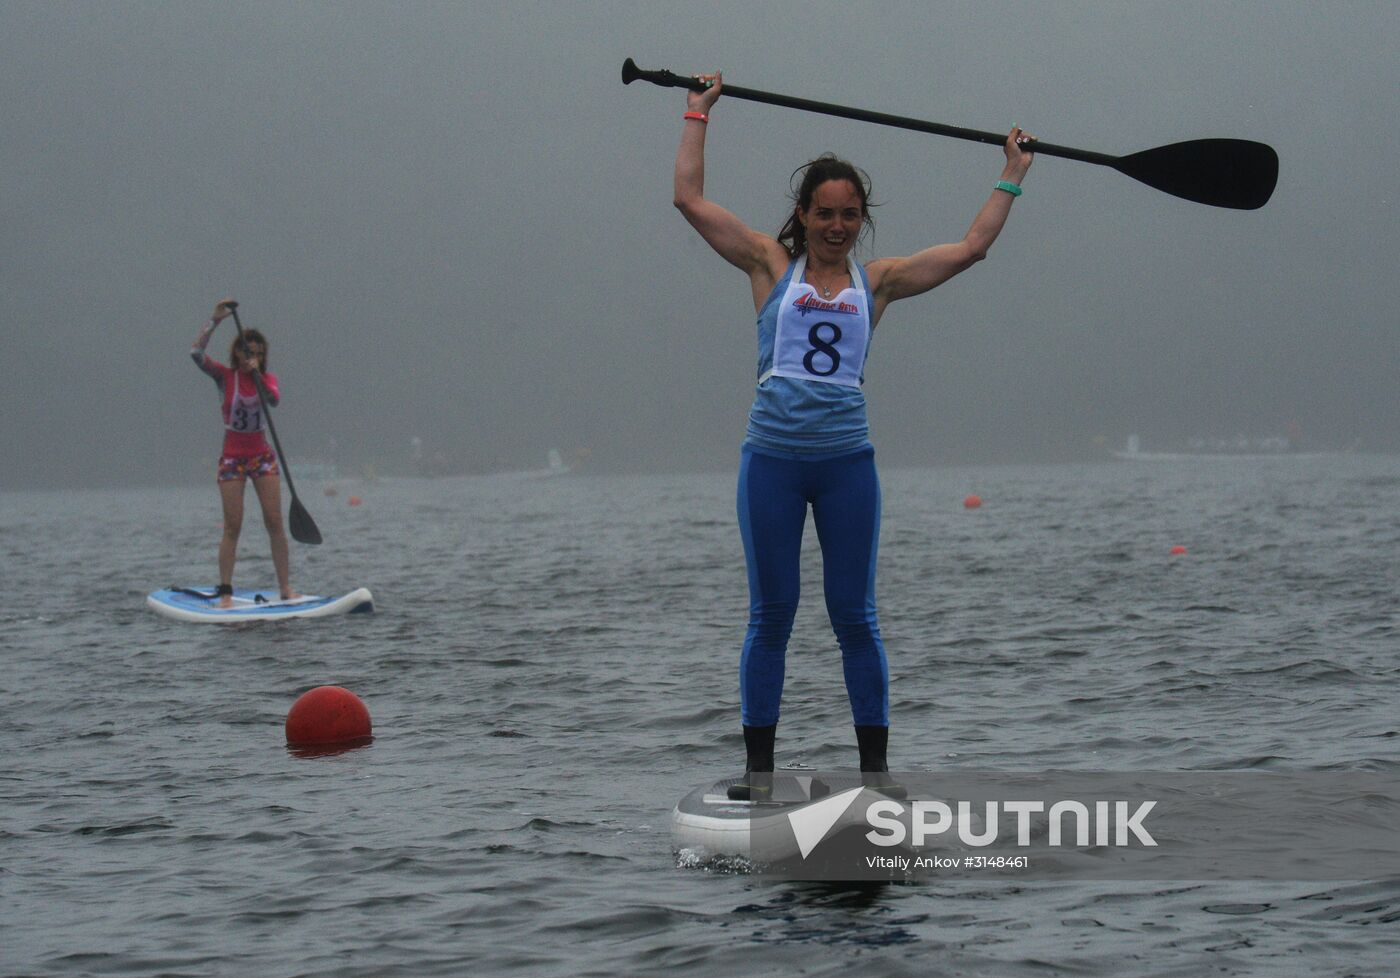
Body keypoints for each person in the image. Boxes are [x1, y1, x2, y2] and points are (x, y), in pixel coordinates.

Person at [672, 72, 1034, 799]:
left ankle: (877, 777)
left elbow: (971, 248)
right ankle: (758, 775)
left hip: (846, 467)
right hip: (771, 463)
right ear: (803, 216)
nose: (837, 226)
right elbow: (689, 199)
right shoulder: (767, 265)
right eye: (824, 214)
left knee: (855, 618)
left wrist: (1012, 174)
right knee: (771, 615)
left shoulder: (882, 282)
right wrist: (697, 112)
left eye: (849, 215)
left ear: (860, 220)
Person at [191, 299, 299, 608]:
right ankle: (225, 592)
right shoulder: (224, 377)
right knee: (233, 525)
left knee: (275, 522)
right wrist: (215, 321)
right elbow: (195, 354)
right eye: (247, 351)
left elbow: (273, 401)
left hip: (262, 457)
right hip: (232, 460)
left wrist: (258, 377)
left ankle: (285, 588)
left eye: (257, 352)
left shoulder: (268, 380)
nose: (252, 356)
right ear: (237, 353)